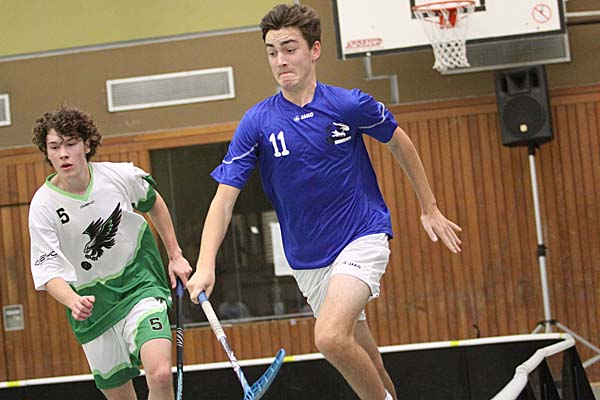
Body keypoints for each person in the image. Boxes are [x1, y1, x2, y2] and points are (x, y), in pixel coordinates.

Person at [186, 4, 462, 400]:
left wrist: (429, 206)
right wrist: (206, 263)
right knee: (368, 361)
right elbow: (224, 200)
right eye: (272, 52)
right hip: (307, 259)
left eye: (289, 49)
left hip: (361, 234)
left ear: (314, 50)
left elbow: (399, 142)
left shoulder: (348, 105)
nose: (280, 61)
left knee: (330, 337)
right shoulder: (257, 122)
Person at [28, 105, 192, 400]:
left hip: (139, 287)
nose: (63, 154)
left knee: (160, 374)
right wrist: (72, 300)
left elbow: (153, 201)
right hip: (93, 309)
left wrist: (175, 255)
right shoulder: (43, 206)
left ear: (87, 144)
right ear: (47, 152)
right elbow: (48, 270)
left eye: (70, 144)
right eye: (54, 147)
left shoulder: (120, 176)